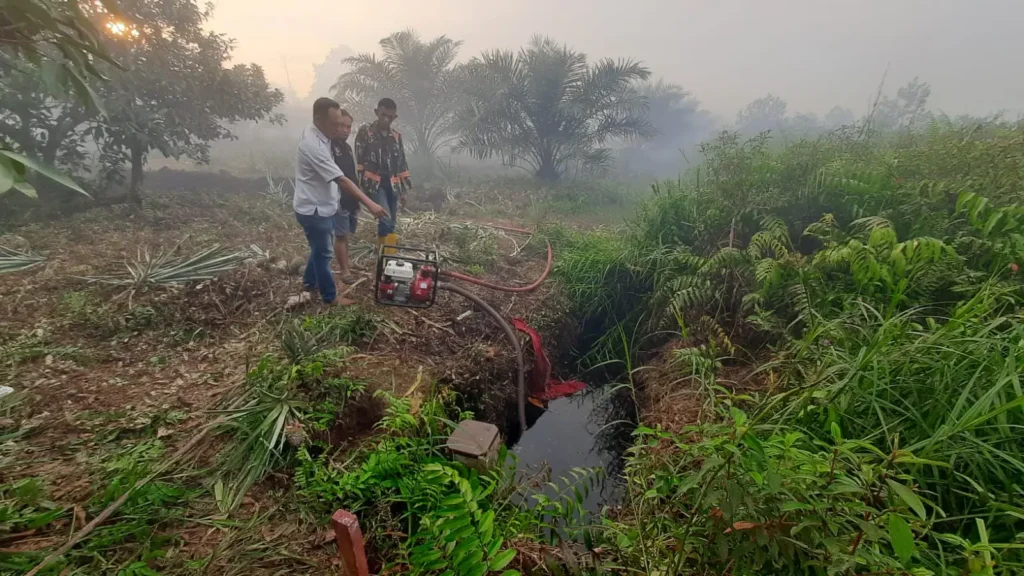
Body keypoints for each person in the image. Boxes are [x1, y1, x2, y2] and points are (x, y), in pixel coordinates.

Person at [294, 97, 387, 306]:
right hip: (314, 210)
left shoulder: (318, 132)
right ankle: (330, 297)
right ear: (319, 119)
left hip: (320, 205)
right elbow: (342, 180)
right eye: (334, 124)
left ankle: (309, 283)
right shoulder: (313, 145)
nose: (339, 128)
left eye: (342, 123)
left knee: (318, 249)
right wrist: (370, 204)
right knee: (325, 253)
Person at [353, 97, 413, 253]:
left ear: (395, 117)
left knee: (392, 223)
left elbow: (402, 163)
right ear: (376, 113)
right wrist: (360, 186)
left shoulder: (396, 137)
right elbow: (359, 159)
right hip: (375, 184)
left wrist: (403, 191)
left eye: (390, 117)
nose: (386, 119)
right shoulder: (366, 132)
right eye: (383, 115)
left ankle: (388, 256)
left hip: (393, 184)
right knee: (385, 219)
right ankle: (384, 256)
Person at [330, 109, 359, 284]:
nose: (345, 130)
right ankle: (344, 270)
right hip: (338, 198)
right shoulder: (329, 146)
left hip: (350, 198)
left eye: (348, 126)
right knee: (340, 235)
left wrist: (357, 198)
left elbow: (351, 173)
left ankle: (345, 263)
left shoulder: (346, 147)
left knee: (345, 233)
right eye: (341, 126)